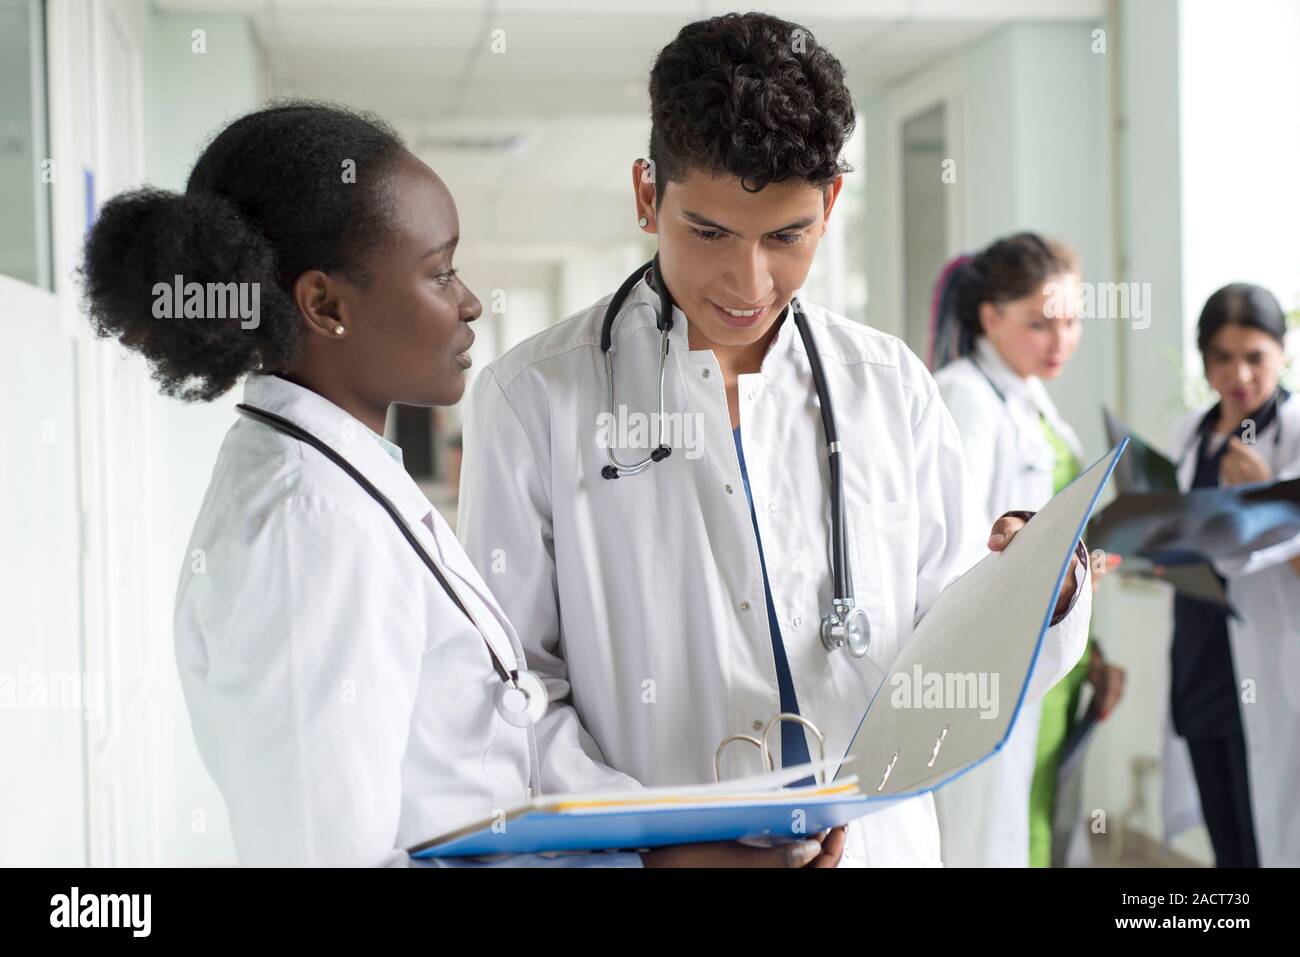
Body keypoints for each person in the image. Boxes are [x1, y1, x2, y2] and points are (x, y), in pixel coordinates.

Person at [80, 101, 843, 868]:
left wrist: (669, 849)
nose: (470, 301)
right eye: (439, 271)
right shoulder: (307, 525)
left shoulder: (348, 480)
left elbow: (499, 734)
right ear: (325, 304)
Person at [457, 13, 1092, 867]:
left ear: (830, 203)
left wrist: (1033, 596)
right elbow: (512, 691)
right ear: (648, 194)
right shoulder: (535, 399)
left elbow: (947, 645)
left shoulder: (890, 387)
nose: (748, 282)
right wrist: (658, 846)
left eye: (788, 236)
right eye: (709, 232)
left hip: (875, 846)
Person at [929, 234, 1125, 867]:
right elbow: (961, 543)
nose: (1061, 339)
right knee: (990, 835)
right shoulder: (966, 396)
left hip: (1049, 653)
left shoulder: (1031, 399)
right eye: (1040, 324)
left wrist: (1089, 635)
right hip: (1000, 658)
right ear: (991, 317)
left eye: (1072, 321)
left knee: (1033, 823)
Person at [1163, 282, 1300, 867]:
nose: (1239, 373)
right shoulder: (1190, 433)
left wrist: (1261, 496)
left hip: (1269, 667)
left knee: (1271, 833)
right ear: (1204, 360)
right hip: (1201, 658)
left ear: (1283, 354)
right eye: (1222, 357)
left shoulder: (1293, 434)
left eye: (1255, 356)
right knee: (1228, 848)